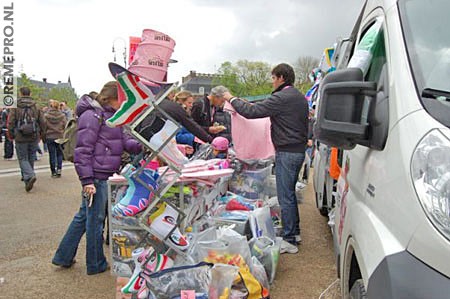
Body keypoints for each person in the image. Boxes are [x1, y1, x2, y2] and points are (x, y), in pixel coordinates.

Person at [52, 81, 142, 275]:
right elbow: (83, 150)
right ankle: (95, 263)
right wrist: (87, 181)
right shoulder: (92, 115)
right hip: (97, 176)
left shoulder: (108, 115)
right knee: (95, 220)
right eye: (122, 99)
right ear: (110, 98)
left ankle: (63, 256)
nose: (123, 103)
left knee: (84, 217)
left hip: (102, 173)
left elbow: (124, 141)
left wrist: (142, 144)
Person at [223, 63, 309, 254]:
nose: (271, 82)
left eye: (272, 78)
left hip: (287, 152)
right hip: (297, 151)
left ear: (280, 77)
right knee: (289, 194)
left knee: (285, 195)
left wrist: (232, 98)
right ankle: (294, 233)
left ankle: (289, 239)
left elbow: (251, 113)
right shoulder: (298, 97)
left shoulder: (282, 98)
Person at [7, 87, 46, 192]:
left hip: (20, 135)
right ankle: (28, 178)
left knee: (23, 158)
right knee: (31, 157)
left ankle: (29, 175)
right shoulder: (36, 106)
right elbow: (42, 122)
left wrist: (11, 134)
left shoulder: (15, 106)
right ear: (30, 93)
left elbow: (11, 121)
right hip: (33, 135)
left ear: (20, 93)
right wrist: (42, 134)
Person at [44, 99, 67, 177]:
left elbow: (44, 126)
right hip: (59, 136)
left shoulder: (46, 116)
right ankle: (59, 169)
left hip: (50, 136)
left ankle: (53, 171)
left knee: (52, 154)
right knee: (59, 154)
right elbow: (65, 125)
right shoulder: (62, 116)